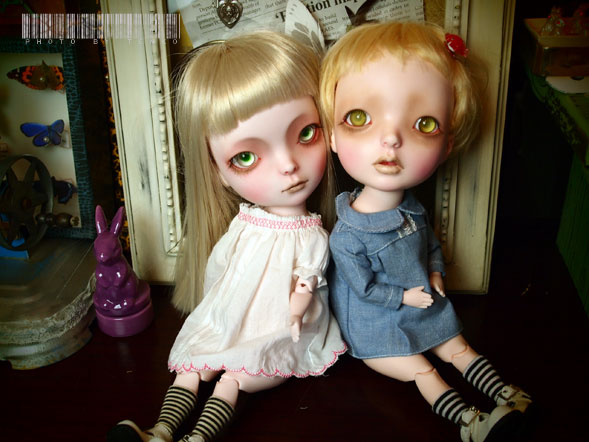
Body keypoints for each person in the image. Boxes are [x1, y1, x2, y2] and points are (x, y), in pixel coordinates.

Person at [107, 30, 345, 442]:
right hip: (230, 313)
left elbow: (307, 281)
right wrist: (215, 307)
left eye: (306, 133)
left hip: (280, 323)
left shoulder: (311, 235)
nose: (289, 165)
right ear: (216, 171)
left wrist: (295, 311)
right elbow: (220, 266)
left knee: (235, 377)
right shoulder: (244, 222)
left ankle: (198, 437)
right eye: (246, 157)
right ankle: (159, 430)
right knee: (193, 365)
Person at [319, 21, 532, 442]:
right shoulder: (348, 235)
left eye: (425, 124)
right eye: (359, 118)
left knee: (460, 347)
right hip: (376, 322)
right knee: (423, 369)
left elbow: (430, 244)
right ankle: (471, 422)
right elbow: (364, 289)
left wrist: (435, 272)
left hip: (425, 301)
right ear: (333, 137)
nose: (391, 139)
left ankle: (507, 394)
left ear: (447, 144)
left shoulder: (413, 208)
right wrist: (404, 297)